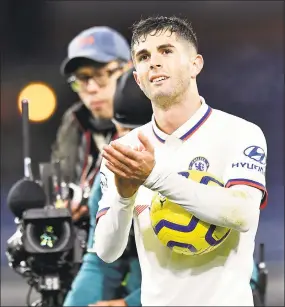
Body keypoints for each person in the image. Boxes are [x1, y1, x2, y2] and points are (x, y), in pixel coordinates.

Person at [94, 16, 268, 306]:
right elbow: (106, 251)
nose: (154, 62)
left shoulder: (240, 133)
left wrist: (153, 176)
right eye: (144, 56)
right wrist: (124, 197)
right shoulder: (124, 151)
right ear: (138, 78)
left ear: (195, 64)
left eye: (167, 51)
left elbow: (244, 214)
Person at [63, 69, 153, 307]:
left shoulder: (196, 168)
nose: (128, 146)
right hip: (144, 277)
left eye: (139, 134)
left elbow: (218, 270)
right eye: (122, 132)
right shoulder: (107, 179)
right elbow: (100, 261)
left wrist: (131, 304)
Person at [51, 26, 131, 221]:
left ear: (128, 70)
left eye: (101, 74)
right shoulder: (73, 122)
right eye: (82, 78)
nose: (92, 88)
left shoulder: (154, 121)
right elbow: (59, 184)